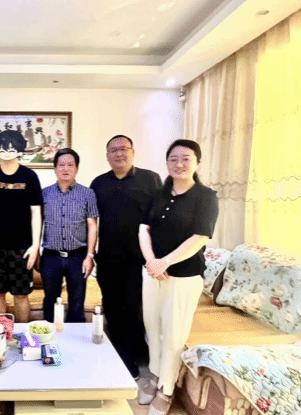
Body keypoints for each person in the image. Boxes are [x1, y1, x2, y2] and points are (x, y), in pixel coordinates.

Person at [138, 139, 219, 415]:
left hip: (184, 276)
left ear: (197, 162)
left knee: (174, 334)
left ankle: (167, 390)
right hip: (152, 274)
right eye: (173, 159)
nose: (179, 164)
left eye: (186, 158)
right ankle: (155, 375)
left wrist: (166, 262)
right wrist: (152, 261)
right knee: (153, 329)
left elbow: (200, 237)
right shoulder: (158, 194)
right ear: (167, 163)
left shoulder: (206, 196)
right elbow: (143, 229)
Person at [90, 135, 162, 380]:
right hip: (109, 257)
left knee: (134, 307)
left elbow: (160, 218)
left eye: (123, 149)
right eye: (113, 150)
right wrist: (90, 253)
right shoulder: (99, 183)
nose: (119, 154)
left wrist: (158, 256)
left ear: (133, 152)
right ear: (107, 155)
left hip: (139, 259)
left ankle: (133, 356)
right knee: (112, 307)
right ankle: (118, 354)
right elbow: (91, 221)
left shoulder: (150, 179)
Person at [0, 130, 42, 323]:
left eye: (12, 148)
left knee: (21, 295)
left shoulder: (29, 176)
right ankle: (0, 334)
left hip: (22, 247)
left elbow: (36, 213)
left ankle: (22, 334)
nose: (7, 152)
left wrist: (35, 246)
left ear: (20, 150)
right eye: (3, 148)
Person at [39, 148, 98, 322]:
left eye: (70, 165)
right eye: (61, 165)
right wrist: (35, 251)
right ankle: (49, 335)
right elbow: (38, 223)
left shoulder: (87, 194)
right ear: (55, 168)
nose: (66, 169)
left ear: (77, 168)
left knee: (77, 304)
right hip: (51, 256)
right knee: (50, 302)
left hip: (78, 257)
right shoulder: (44, 193)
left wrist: (90, 256)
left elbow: (92, 226)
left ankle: (75, 337)